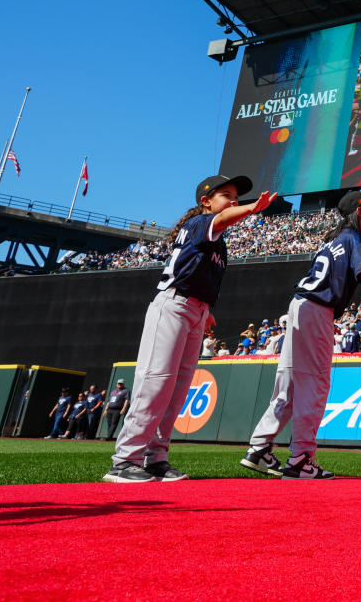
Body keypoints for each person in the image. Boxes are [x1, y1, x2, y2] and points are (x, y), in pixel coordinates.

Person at [104, 174, 273, 483]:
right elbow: (222, 217)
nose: (233, 199)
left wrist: (205, 313)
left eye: (236, 195)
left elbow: (198, 274)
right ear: (205, 201)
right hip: (173, 305)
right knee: (156, 383)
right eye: (226, 194)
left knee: (177, 390)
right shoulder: (199, 224)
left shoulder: (218, 243)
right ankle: (125, 459)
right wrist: (251, 208)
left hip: (194, 310)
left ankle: (156, 458)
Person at [241, 190, 361, 480]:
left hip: (301, 305)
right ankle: (301, 458)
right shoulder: (353, 239)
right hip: (317, 308)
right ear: (359, 212)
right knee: (314, 384)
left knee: (288, 382)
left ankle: (259, 447)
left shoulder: (333, 239)